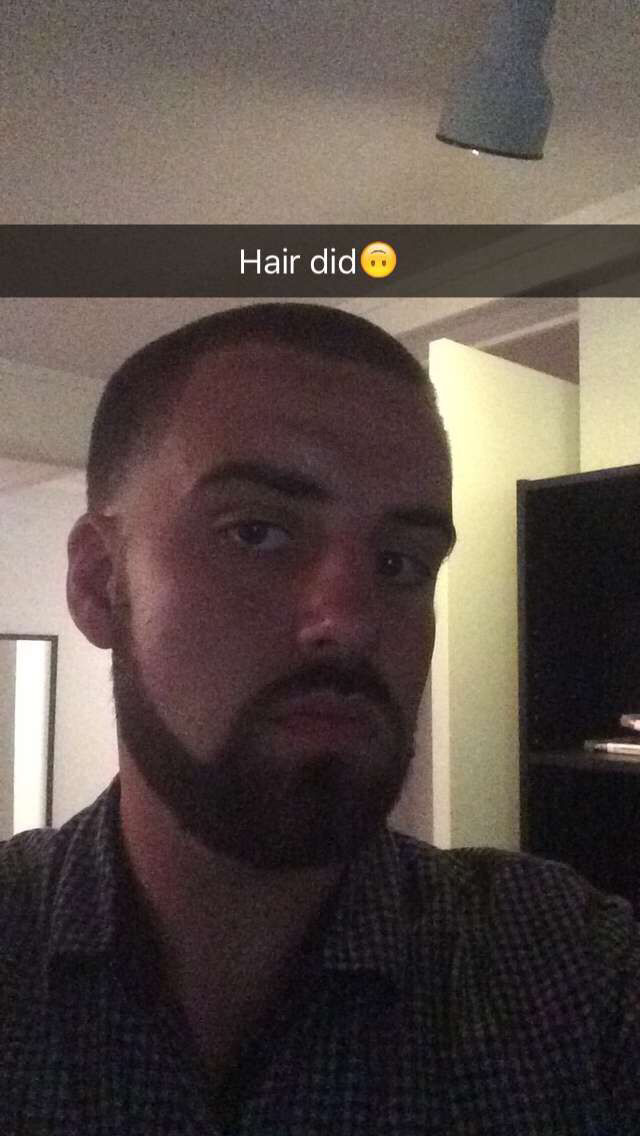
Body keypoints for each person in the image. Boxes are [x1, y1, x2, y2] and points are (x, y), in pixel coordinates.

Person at [0, 302, 638, 1136]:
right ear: (98, 584)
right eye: (256, 533)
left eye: (400, 562)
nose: (351, 620)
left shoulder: (570, 978)